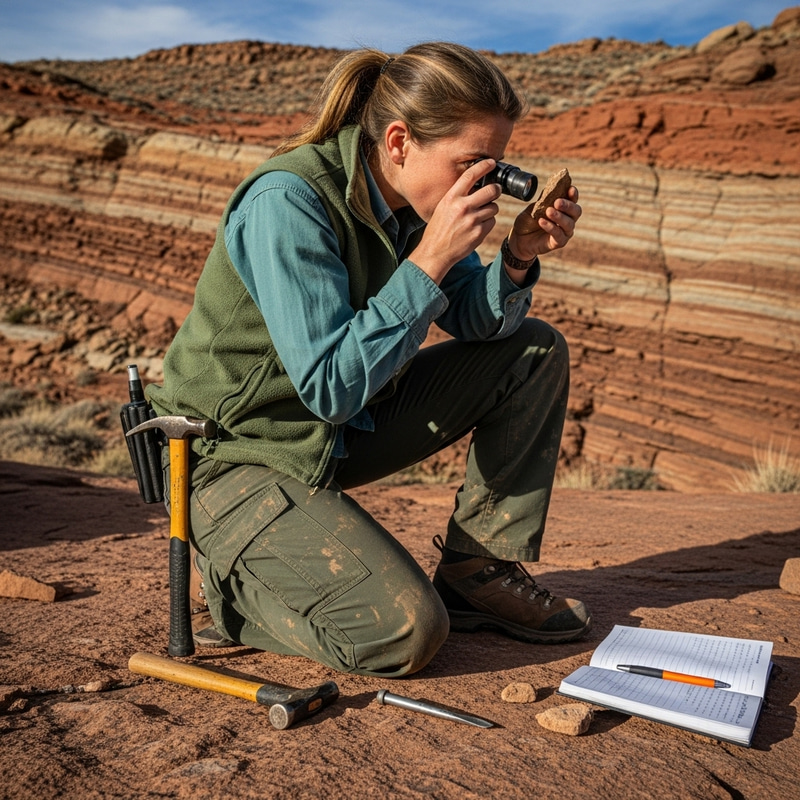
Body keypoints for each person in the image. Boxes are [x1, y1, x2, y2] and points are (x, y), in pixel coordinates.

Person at [147, 41, 590, 677]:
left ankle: (477, 572)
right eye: (471, 163)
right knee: (407, 632)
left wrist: (516, 256)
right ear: (400, 141)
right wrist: (429, 258)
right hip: (231, 454)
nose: (485, 184)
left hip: (328, 435)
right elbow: (330, 386)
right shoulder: (289, 202)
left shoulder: (414, 202)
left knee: (534, 350)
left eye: (494, 166)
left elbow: (471, 317)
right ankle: (236, 594)